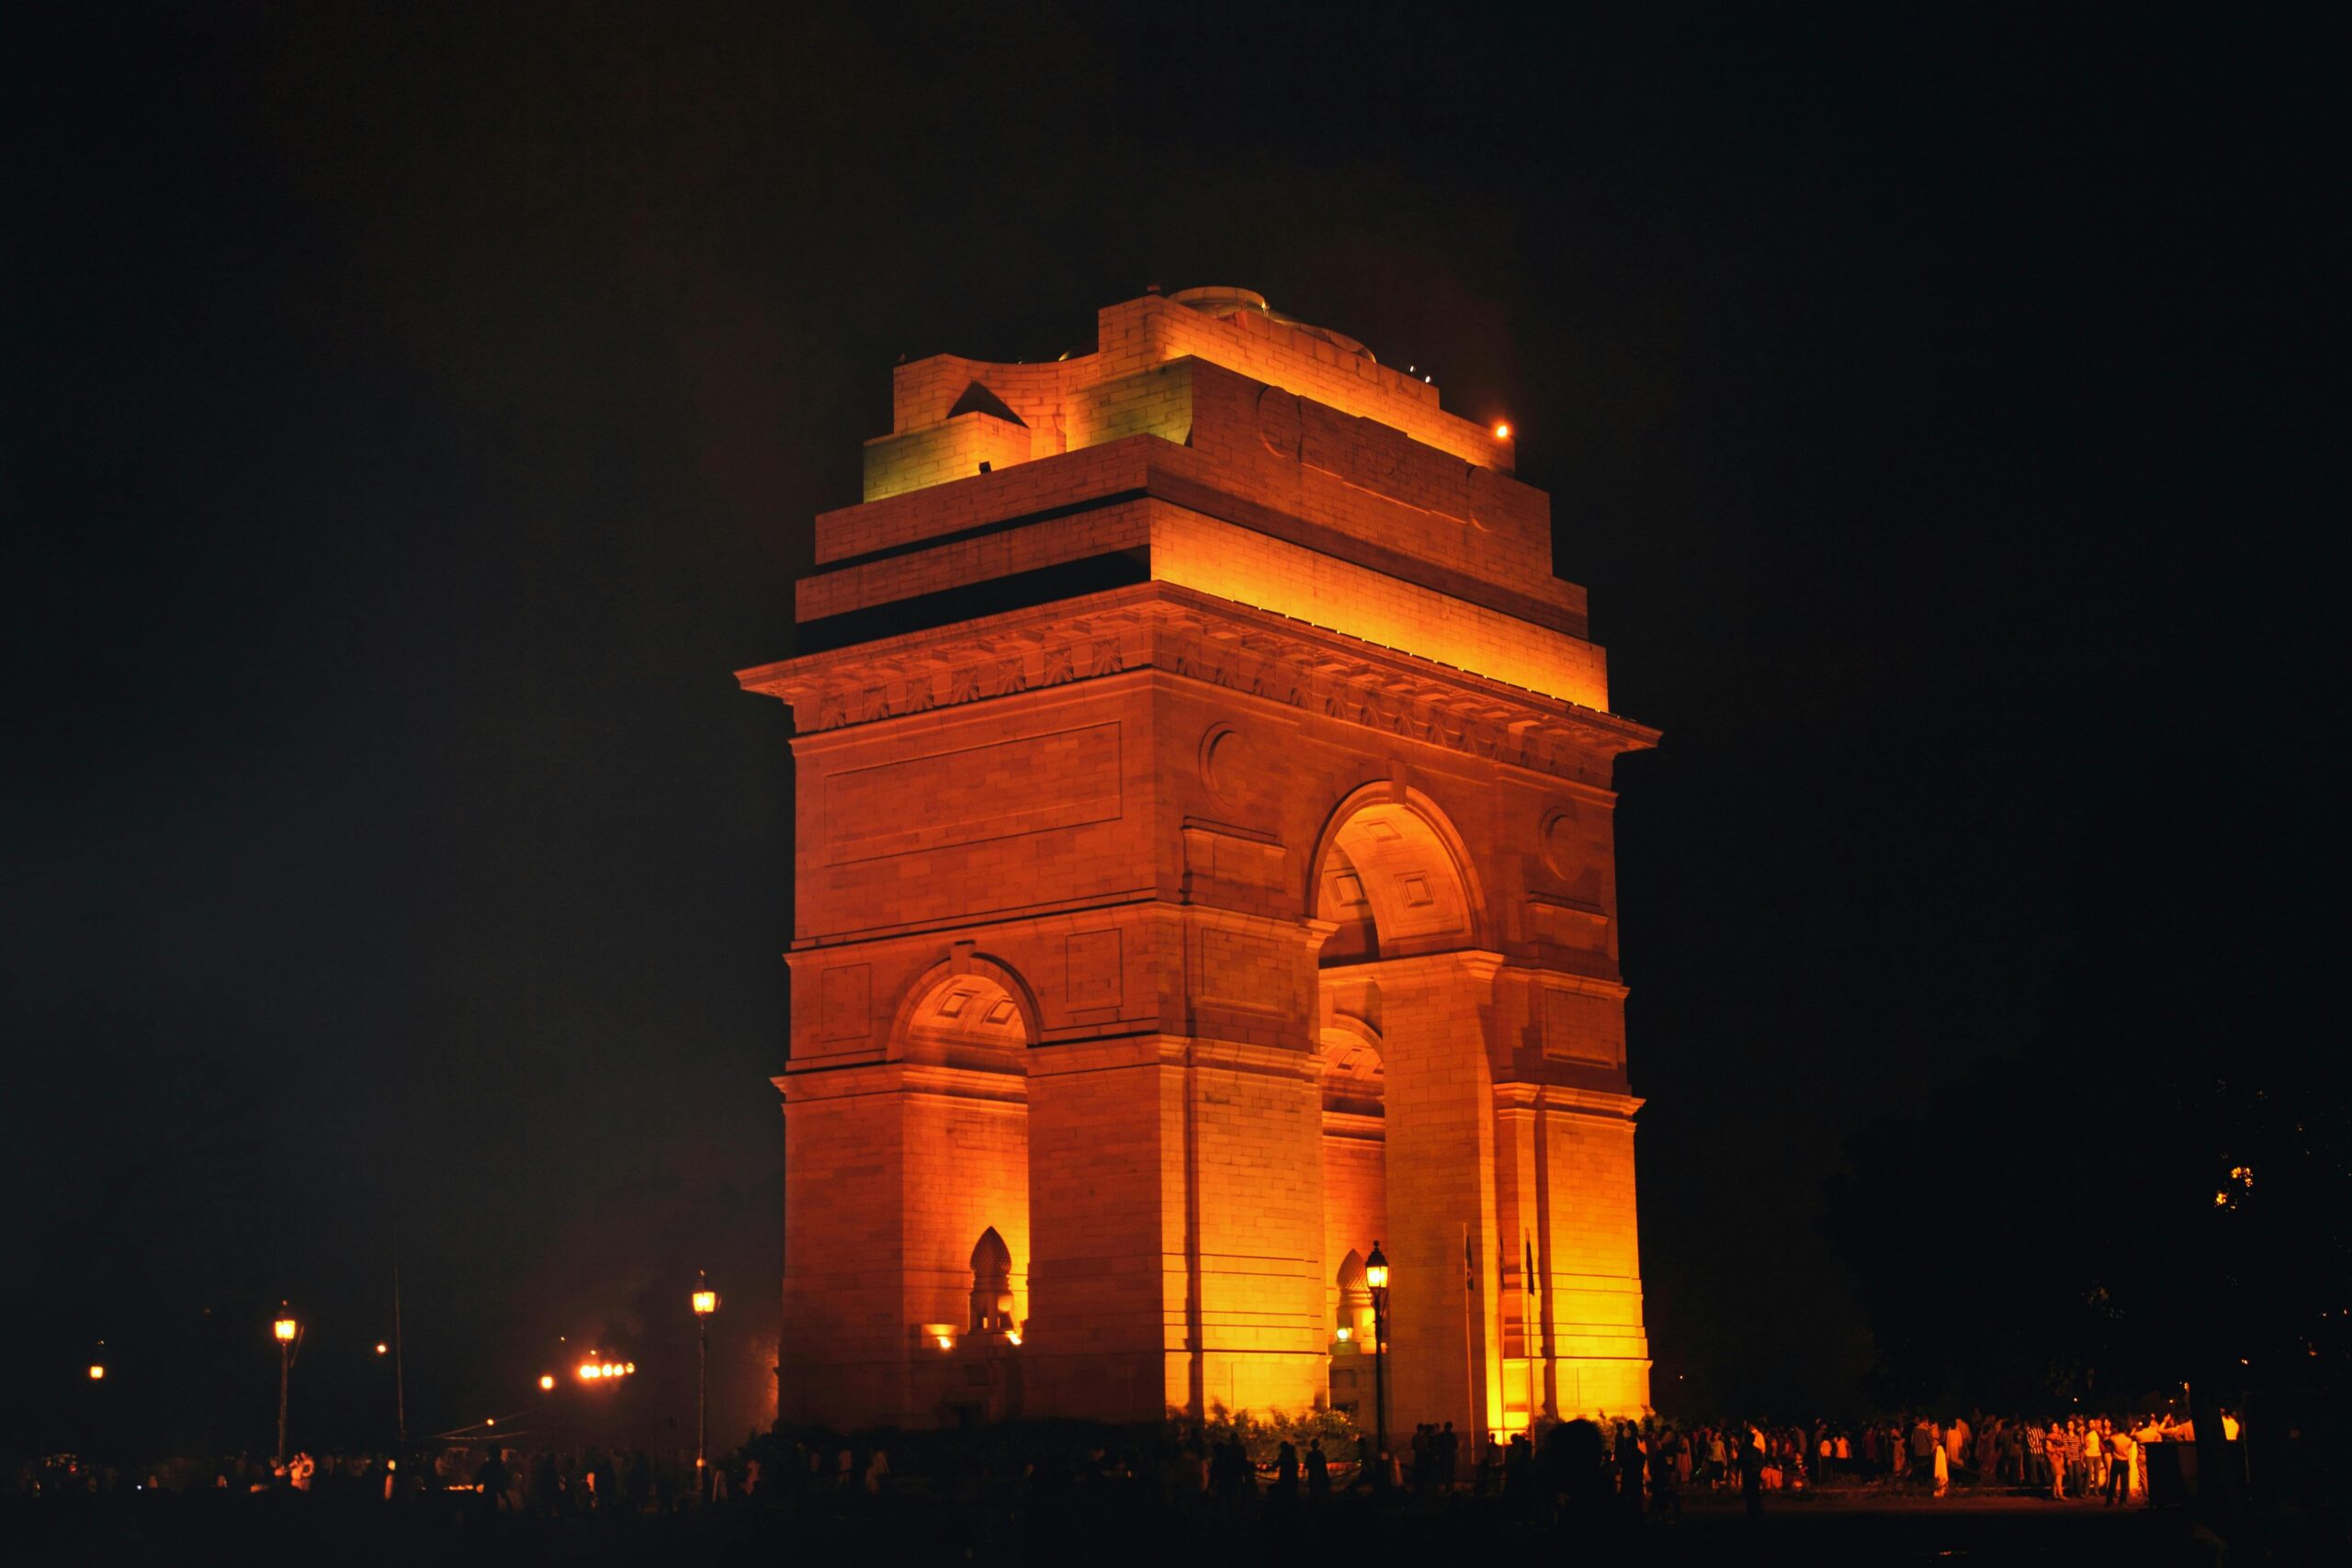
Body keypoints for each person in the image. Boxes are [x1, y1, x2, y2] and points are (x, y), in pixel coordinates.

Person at [1305, 1438, 1329, 1504]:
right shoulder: (1320, 1454)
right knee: (1319, 1493)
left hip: (1313, 1475)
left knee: (1313, 1492)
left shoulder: (1310, 1454)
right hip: (1319, 1475)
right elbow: (1324, 1465)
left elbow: (1306, 1465)